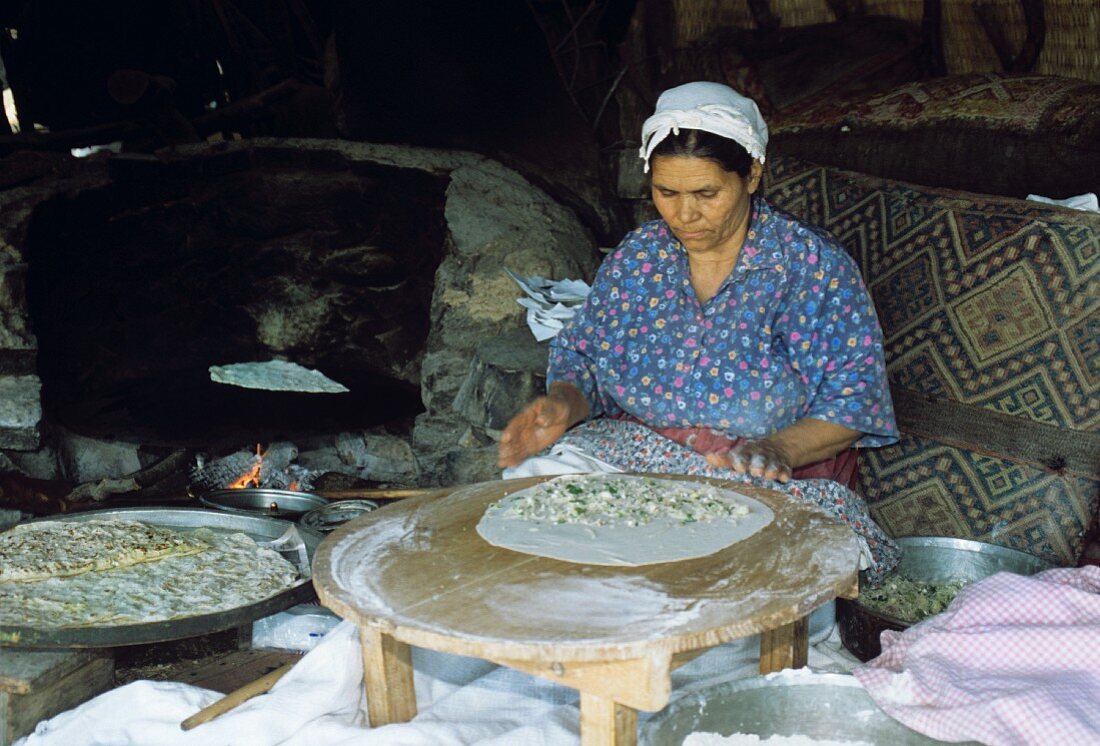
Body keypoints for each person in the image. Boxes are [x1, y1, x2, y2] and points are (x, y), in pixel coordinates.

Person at [497, 81, 900, 583]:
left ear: (752, 175)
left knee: (711, 594)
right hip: (630, 459)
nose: (683, 215)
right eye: (666, 193)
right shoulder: (640, 256)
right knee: (524, 525)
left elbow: (854, 402)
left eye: (706, 193)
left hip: (756, 480)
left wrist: (777, 449)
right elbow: (586, 361)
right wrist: (563, 403)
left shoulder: (807, 266)